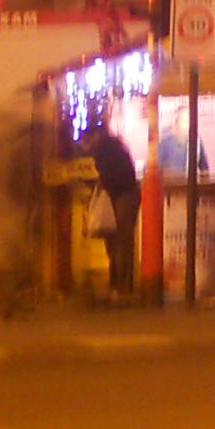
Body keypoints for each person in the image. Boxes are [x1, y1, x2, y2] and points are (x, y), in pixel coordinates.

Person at [82, 115, 141, 302]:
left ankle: (120, 284)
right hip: (123, 195)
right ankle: (119, 284)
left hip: (123, 196)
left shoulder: (106, 151)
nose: (86, 144)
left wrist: (96, 181)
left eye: (88, 139)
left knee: (119, 242)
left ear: (96, 136)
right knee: (118, 242)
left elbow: (110, 175)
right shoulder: (113, 147)